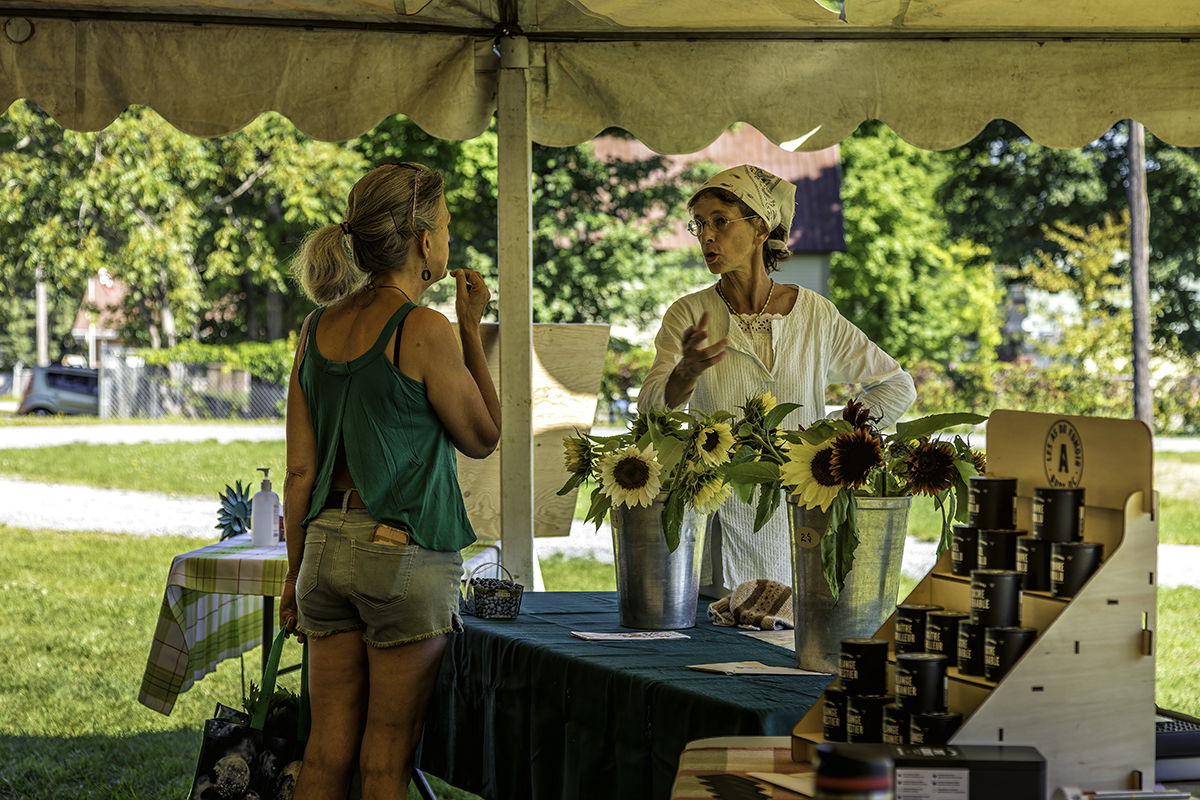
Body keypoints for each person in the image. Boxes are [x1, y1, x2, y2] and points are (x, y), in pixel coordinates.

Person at [279, 162, 500, 800]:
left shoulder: (314, 328)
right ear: (423, 241)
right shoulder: (423, 329)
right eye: (447, 227)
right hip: (400, 554)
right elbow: (483, 437)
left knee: (324, 754)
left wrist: (295, 575)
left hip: (323, 548)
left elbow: (299, 473)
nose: (449, 239)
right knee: (385, 761)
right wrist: (468, 332)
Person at [638, 164, 916, 597]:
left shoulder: (815, 314)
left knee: (792, 629)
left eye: (719, 222)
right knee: (721, 633)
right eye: (699, 225)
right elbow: (651, 409)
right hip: (719, 510)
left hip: (799, 505)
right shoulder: (689, 314)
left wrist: (837, 438)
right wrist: (685, 373)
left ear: (759, 228)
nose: (706, 236)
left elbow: (897, 386)